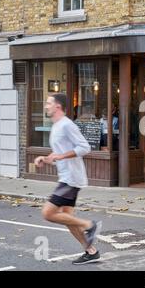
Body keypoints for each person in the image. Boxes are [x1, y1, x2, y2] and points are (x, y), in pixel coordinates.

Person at [34, 93, 102, 265]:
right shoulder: (57, 126)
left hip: (71, 179)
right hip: (66, 176)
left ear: (57, 106)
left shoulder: (66, 125)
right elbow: (60, 153)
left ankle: (89, 225)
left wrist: (62, 156)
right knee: (66, 217)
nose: (46, 106)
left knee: (48, 213)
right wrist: (47, 159)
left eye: (48, 103)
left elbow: (84, 147)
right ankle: (90, 251)